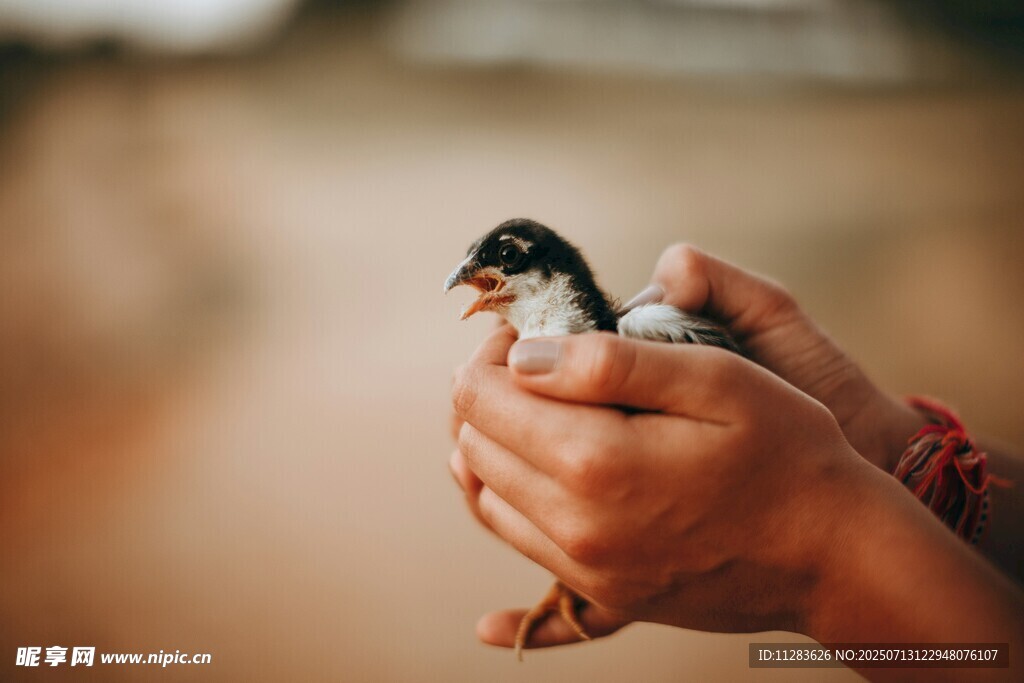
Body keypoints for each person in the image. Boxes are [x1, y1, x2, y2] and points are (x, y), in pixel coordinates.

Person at [448, 244, 1024, 681]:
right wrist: (879, 449)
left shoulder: (645, 335)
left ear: (550, 269)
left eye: (501, 261)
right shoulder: (550, 356)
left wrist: (821, 556)